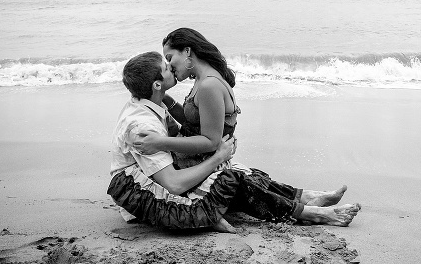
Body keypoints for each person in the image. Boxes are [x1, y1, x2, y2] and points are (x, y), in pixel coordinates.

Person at [108, 51, 361, 232]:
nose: (170, 67)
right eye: (165, 67)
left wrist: (215, 153)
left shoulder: (153, 102)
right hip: (144, 191)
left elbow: (177, 131)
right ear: (156, 84)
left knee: (240, 171)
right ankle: (312, 214)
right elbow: (173, 184)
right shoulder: (141, 127)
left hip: (159, 174)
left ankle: (306, 197)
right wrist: (217, 156)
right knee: (231, 179)